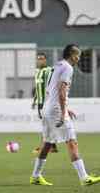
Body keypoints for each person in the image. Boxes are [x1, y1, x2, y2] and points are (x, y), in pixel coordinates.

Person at [30, 44, 100, 186]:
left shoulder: (57, 65)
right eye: (77, 55)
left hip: (47, 108)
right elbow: (62, 92)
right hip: (56, 110)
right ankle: (84, 178)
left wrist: (66, 109)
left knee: (47, 143)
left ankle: (35, 176)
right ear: (71, 55)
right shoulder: (68, 68)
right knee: (71, 142)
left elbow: (51, 89)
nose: (78, 58)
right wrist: (63, 113)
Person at [32, 53, 58, 154]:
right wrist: (34, 100)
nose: (40, 61)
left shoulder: (49, 70)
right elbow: (37, 87)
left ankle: (44, 147)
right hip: (40, 103)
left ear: (45, 60)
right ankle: (52, 146)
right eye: (39, 59)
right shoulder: (37, 71)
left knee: (46, 125)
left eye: (42, 59)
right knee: (46, 125)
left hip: (47, 102)